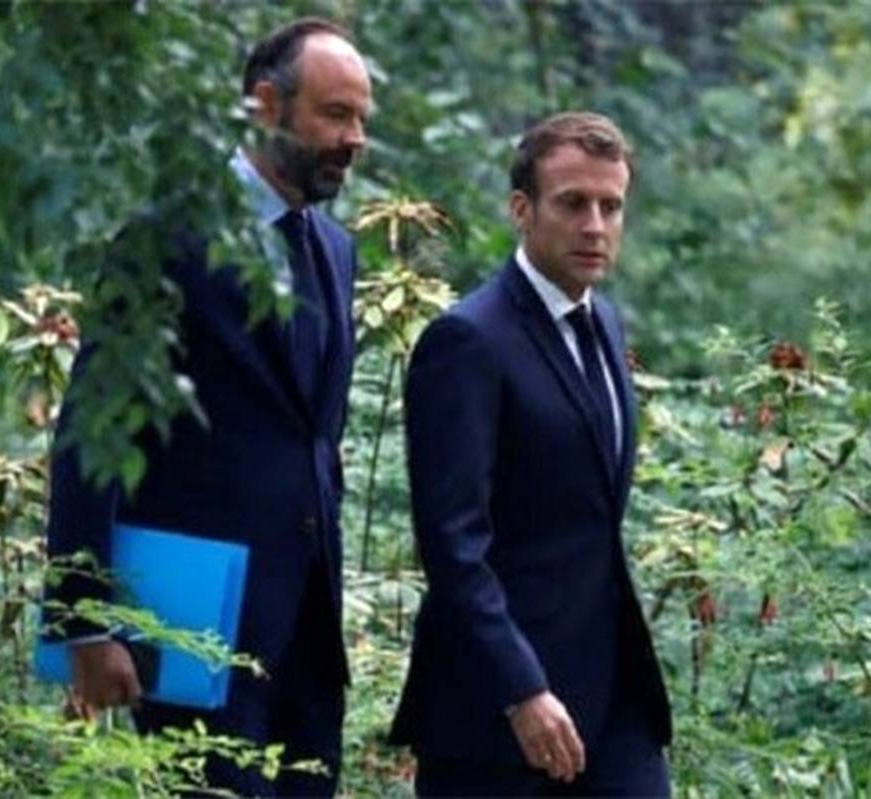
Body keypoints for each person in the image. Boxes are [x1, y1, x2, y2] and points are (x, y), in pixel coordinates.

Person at [45, 18, 371, 796]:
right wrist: (85, 621)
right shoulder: (165, 239)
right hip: (191, 628)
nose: (354, 139)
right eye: (335, 114)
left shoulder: (336, 250)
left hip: (307, 644)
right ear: (265, 105)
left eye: (361, 119)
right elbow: (90, 434)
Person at [390, 112, 673, 796]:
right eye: (573, 203)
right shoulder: (468, 341)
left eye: (611, 206)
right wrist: (521, 688)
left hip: (612, 698)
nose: (595, 225)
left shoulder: (604, 323)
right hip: (494, 711)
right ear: (522, 210)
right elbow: (453, 545)